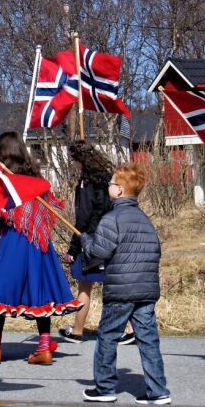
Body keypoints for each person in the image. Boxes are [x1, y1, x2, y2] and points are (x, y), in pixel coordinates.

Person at [0, 132, 82, 365]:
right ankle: (43, 348)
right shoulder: (36, 179)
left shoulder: (3, 183)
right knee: (40, 291)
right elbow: (44, 209)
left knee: (1, 291)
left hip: (14, 242)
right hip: (39, 242)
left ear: (3, 153)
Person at [82, 163, 171, 406]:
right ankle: (158, 389)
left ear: (119, 190)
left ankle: (105, 387)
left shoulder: (112, 219)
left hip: (121, 290)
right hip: (146, 290)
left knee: (108, 337)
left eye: (111, 183)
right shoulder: (144, 220)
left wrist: (86, 241)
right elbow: (155, 251)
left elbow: (99, 252)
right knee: (148, 339)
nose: (108, 186)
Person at [59, 141, 134, 346]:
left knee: (85, 286)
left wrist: (73, 248)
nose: (72, 164)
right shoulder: (108, 179)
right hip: (112, 235)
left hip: (91, 240)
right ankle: (130, 329)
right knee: (114, 286)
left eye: (73, 160)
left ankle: (77, 331)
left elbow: (83, 218)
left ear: (80, 160)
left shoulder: (87, 183)